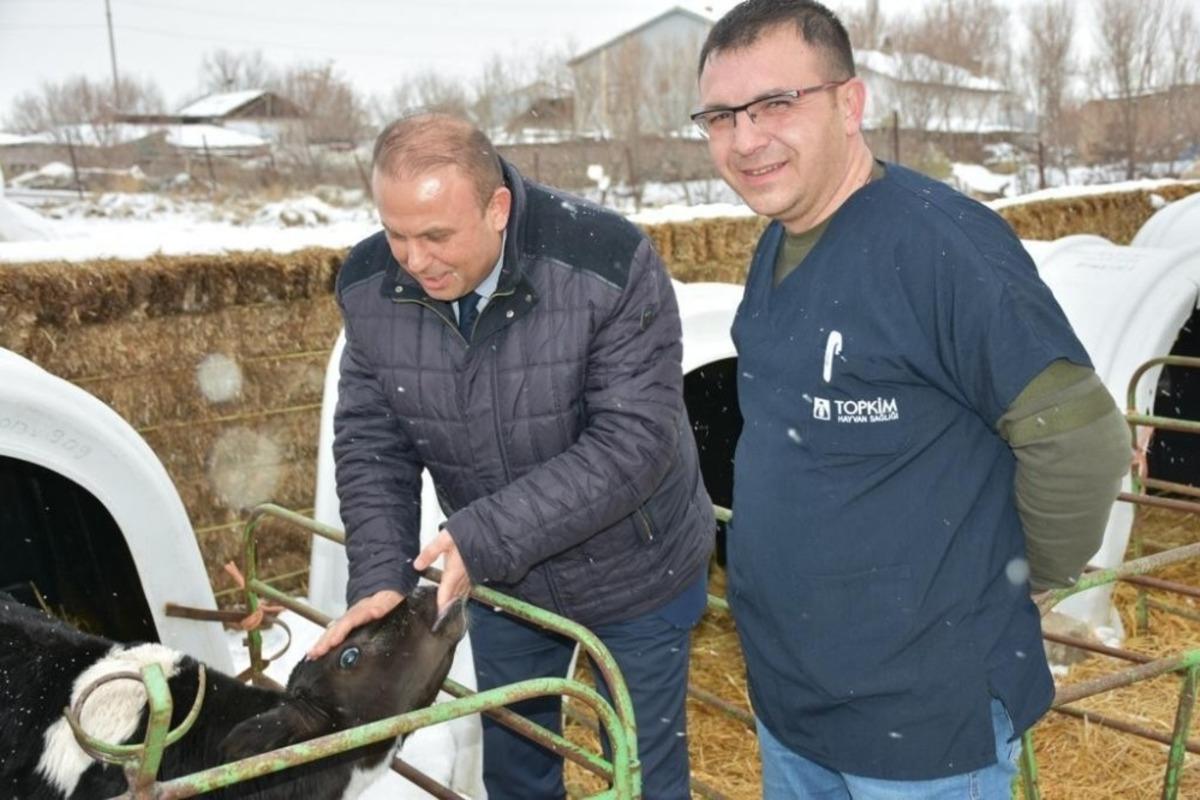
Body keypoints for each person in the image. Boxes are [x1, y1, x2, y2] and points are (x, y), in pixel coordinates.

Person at [691, 1, 1131, 797]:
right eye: (722, 116)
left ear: (850, 103)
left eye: (776, 104)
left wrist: (1029, 577)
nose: (746, 139)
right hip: (795, 699)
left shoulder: (938, 245)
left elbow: (1079, 437)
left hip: (920, 720)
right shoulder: (778, 242)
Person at [307, 112, 715, 800]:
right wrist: (378, 576)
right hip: (504, 582)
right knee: (519, 765)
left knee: (642, 768)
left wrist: (482, 534)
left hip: (636, 565)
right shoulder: (370, 284)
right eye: (396, 234)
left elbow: (634, 442)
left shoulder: (605, 263)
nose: (415, 259)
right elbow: (373, 440)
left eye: (437, 235)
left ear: (497, 208)